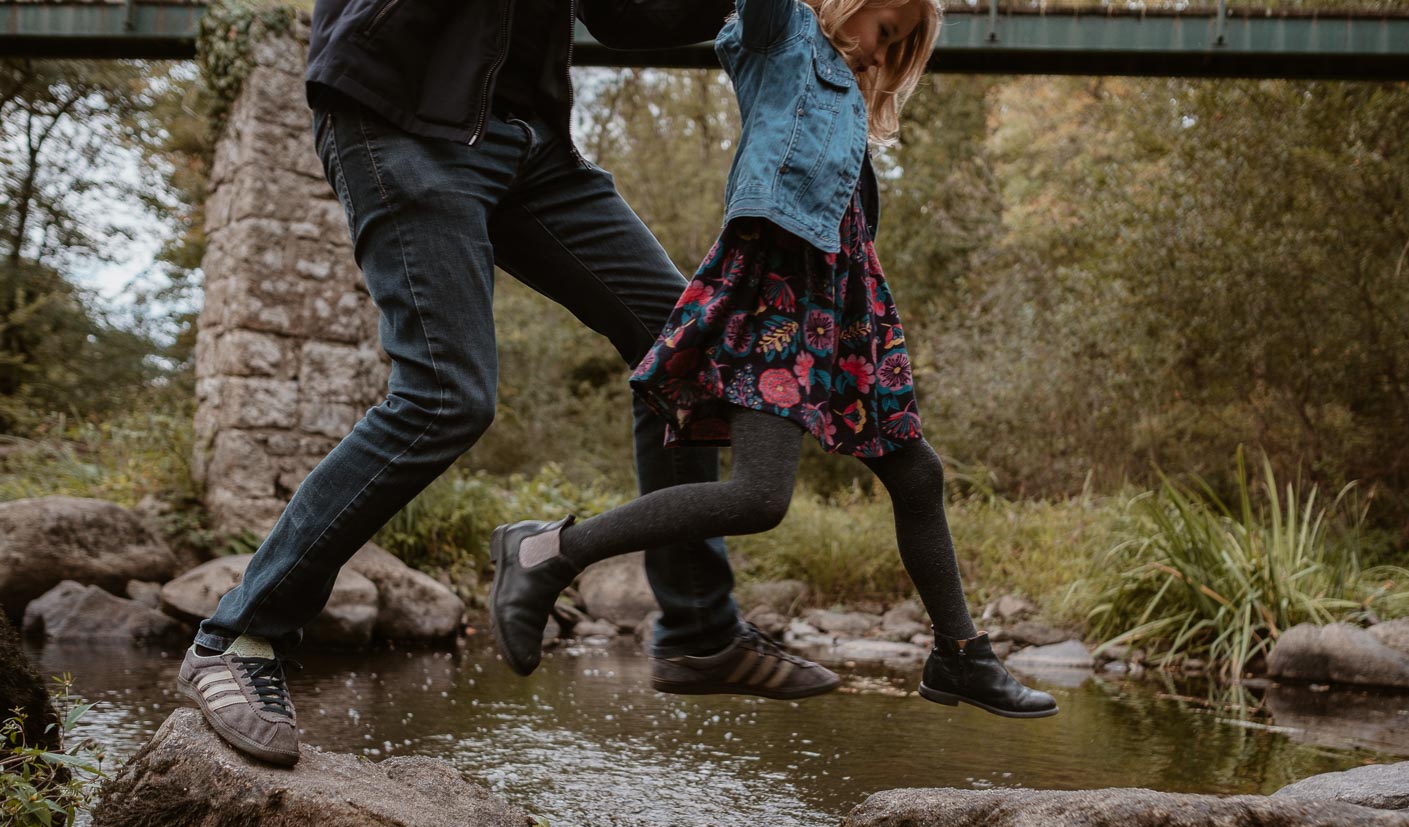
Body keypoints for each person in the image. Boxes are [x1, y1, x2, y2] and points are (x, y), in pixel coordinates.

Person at [177, 0, 841, 768]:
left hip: (530, 143)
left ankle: (697, 630)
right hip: (401, 120)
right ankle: (239, 636)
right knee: (445, 397)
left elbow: (621, 15)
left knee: (684, 347)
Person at [491, 0, 1059, 719]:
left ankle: (960, 657)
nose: (879, 54)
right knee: (759, 497)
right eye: (883, 31)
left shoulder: (848, 89)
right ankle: (548, 553)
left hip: (845, 298)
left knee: (918, 472)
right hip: (780, 290)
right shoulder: (779, 28)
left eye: (896, 48)